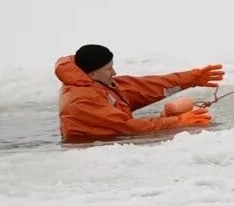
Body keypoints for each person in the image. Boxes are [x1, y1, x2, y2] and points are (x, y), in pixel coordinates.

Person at [56, 43, 223, 143]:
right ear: (92, 73)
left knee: (177, 112)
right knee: (178, 120)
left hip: (116, 139)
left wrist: (192, 78)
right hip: (93, 152)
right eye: (108, 69)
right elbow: (125, 126)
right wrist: (177, 122)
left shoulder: (98, 84)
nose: (114, 73)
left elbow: (145, 88)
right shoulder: (82, 99)